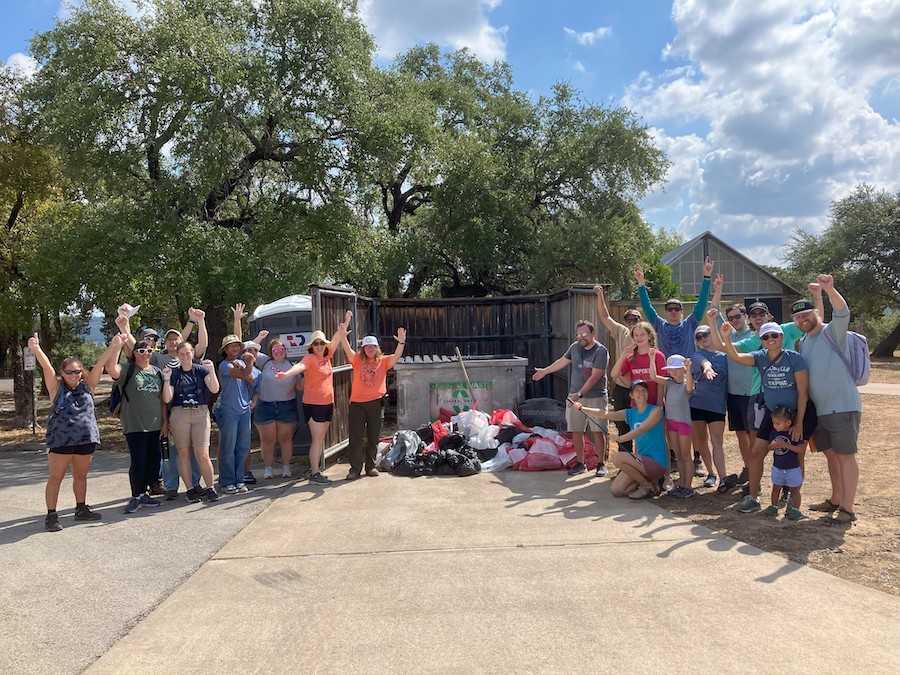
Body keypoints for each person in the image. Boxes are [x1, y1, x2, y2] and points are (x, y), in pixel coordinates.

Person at [712, 314, 816, 513]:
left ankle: (794, 503)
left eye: (774, 336)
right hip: (773, 414)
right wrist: (726, 337)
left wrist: (799, 423)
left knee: (797, 455)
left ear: (781, 336)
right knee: (756, 452)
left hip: (797, 413)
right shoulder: (759, 357)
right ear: (761, 340)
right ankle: (753, 497)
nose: (771, 340)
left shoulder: (794, 359)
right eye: (766, 337)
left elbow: (803, 392)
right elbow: (735, 356)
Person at [29, 332, 125, 531]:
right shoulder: (56, 389)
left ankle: (81, 509)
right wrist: (36, 349)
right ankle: (51, 515)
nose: (74, 375)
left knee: (80, 476)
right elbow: (47, 367)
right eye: (70, 372)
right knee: (56, 478)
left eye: (77, 371)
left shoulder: (88, 386)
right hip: (60, 441)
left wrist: (114, 345)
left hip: (85, 439)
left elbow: (99, 365)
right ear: (62, 373)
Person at [115, 308, 209, 499]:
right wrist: (125, 326)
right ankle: (171, 486)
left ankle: (195, 483)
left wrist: (196, 321)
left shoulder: (187, 358)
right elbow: (136, 347)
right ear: (164, 343)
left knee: (191, 451)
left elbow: (198, 344)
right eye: (169, 339)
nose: (174, 342)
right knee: (170, 450)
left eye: (177, 339)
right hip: (168, 410)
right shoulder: (158, 358)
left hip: (189, 410)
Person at [792, 275, 862, 524]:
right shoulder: (803, 342)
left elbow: (842, 313)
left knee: (845, 456)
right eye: (797, 317)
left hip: (842, 407)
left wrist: (829, 290)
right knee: (831, 456)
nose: (802, 319)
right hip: (820, 411)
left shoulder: (833, 332)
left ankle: (847, 508)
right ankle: (835, 499)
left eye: (806, 314)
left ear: (816, 314)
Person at [635, 257, 714, 478]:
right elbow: (647, 307)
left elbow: (701, 305)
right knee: (672, 422)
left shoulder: (690, 323)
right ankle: (675, 458)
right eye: (669, 308)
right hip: (670, 383)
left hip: (690, 381)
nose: (672, 312)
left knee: (695, 423)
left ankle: (696, 459)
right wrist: (641, 284)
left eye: (676, 308)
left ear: (681, 311)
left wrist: (706, 277)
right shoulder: (658, 325)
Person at [532, 319, 610, 477]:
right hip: (574, 397)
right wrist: (545, 371)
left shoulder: (601, 351)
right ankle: (580, 463)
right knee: (576, 430)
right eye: (578, 335)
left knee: (597, 431)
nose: (581, 337)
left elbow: (595, 377)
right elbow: (562, 361)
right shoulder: (574, 348)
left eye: (584, 334)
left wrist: (579, 394)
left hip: (595, 397)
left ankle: (601, 463)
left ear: (593, 333)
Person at [338, 311, 406, 481]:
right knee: (356, 437)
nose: (370, 349)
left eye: (372, 346)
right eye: (367, 347)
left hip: (376, 403)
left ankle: (370, 466)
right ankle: (354, 469)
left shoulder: (383, 361)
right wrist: (342, 335)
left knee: (373, 436)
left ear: (377, 348)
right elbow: (346, 348)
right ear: (363, 349)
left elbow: (397, 357)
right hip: (357, 404)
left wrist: (401, 342)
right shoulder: (356, 360)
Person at [275, 326, 346, 485]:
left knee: (320, 439)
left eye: (321, 343)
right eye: (316, 344)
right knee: (317, 440)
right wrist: (286, 374)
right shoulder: (309, 359)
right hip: (314, 405)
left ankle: (316, 471)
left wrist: (346, 322)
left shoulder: (327, 357)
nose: (319, 346)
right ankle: (314, 473)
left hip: (327, 404)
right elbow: (299, 367)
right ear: (311, 347)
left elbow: (336, 339)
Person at [574, 380, 668, 500]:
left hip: (657, 463)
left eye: (644, 390)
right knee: (617, 490)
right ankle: (651, 484)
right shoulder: (630, 413)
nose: (641, 393)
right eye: (637, 391)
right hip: (641, 462)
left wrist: (619, 438)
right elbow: (605, 414)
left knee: (617, 457)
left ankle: (646, 485)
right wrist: (583, 408)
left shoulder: (656, 411)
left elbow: (641, 429)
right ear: (631, 395)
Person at [107, 337, 168, 514]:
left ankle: (146, 493)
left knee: (152, 461)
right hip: (134, 425)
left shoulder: (156, 372)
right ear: (134, 353)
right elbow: (111, 369)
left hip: (155, 425)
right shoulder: (129, 369)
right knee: (138, 460)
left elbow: (162, 400)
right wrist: (117, 346)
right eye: (141, 351)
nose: (145, 354)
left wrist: (165, 422)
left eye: (149, 350)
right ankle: (137, 495)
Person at [161, 341, 220, 503]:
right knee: (184, 453)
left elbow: (214, 389)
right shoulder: (173, 373)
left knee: (203, 454)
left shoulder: (201, 370)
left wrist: (212, 370)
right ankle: (190, 489)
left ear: (193, 353)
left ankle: (209, 487)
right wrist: (166, 380)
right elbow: (167, 398)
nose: (185, 357)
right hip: (180, 414)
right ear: (178, 356)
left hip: (200, 412)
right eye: (182, 354)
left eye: (188, 353)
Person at [594, 285, 642, 452]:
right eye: (629, 320)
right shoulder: (621, 332)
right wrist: (600, 295)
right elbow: (604, 316)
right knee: (622, 427)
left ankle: (643, 463)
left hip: (640, 389)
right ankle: (626, 463)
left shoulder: (646, 336)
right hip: (622, 388)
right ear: (624, 322)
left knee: (641, 427)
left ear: (640, 321)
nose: (631, 323)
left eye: (635, 320)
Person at [689, 324, 735, 491]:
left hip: (717, 406)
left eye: (705, 334)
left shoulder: (725, 355)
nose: (702, 338)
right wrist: (707, 368)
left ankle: (723, 477)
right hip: (698, 404)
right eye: (699, 337)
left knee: (717, 441)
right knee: (701, 441)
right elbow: (704, 362)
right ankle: (710, 473)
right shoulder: (697, 354)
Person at [216, 335, 260, 494]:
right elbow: (243, 375)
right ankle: (227, 481)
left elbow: (250, 379)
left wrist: (247, 364)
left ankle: (239, 479)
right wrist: (248, 364)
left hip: (244, 409)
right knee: (229, 446)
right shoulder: (224, 365)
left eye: (237, 345)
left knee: (243, 446)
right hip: (229, 409)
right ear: (225, 349)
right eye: (231, 346)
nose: (234, 348)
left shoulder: (241, 363)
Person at [647, 352, 695, 497]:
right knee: (679, 455)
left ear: (683, 369)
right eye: (670, 369)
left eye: (676, 369)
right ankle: (681, 485)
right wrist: (652, 358)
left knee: (686, 456)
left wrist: (689, 369)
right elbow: (653, 377)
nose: (673, 372)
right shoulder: (669, 382)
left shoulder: (688, 383)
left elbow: (689, 389)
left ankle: (688, 487)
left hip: (683, 424)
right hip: (671, 422)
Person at [254, 338, 301, 479]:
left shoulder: (293, 366)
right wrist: (260, 338)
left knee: (285, 439)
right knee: (268, 440)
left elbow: (299, 387)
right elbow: (248, 346)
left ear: (285, 351)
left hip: (286, 406)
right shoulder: (265, 362)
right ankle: (268, 468)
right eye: (275, 350)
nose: (279, 352)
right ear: (271, 352)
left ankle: (286, 467)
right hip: (266, 405)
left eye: (281, 349)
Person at [609, 321, 667, 407]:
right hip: (636, 405)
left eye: (642, 334)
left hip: (654, 404)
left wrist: (659, 404)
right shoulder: (631, 358)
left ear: (649, 336)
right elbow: (614, 374)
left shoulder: (658, 356)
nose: (639, 338)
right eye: (636, 335)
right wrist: (622, 357)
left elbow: (661, 383)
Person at [763, 406, 805, 521]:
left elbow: (800, 450)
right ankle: (774, 506)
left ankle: (796, 509)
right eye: (774, 423)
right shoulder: (773, 433)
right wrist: (772, 446)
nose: (775, 426)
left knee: (794, 491)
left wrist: (786, 445)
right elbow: (768, 447)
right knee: (775, 488)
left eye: (778, 423)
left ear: (788, 423)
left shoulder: (794, 433)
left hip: (793, 467)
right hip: (778, 467)